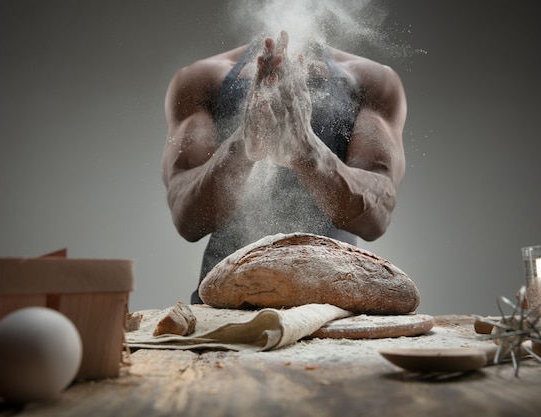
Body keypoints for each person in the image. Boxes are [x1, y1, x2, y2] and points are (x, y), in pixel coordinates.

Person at [161, 31, 407, 303]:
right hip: (224, 311)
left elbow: (376, 219)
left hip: (334, 311)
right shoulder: (203, 79)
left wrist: (305, 150)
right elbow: (188, 220)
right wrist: (244, 144)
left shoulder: (371, 80)